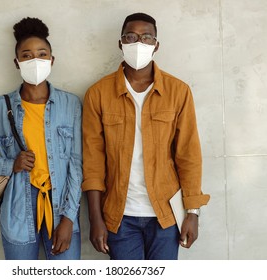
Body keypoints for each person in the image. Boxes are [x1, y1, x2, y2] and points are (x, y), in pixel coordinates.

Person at [82, 12, 210, 260]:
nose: (138, 43)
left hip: (166, 215)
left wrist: (192, 213)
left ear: (156, 45)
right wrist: (95, 220)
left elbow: (188, 155)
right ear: (121, 43)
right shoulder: (98, 94)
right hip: (120, 216)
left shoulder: (178, 92)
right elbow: (93, 162)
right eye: (130, 36)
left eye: (146, 37)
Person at [0, 17, 82, 260]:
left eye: (42, 54)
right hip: (18, 211)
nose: (35, 60)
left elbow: (77, 165)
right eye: (26, 55)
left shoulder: (71, 104)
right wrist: (9, 165)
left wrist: (68, 217)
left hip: (61, 208)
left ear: (52, 60)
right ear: (17, 63)